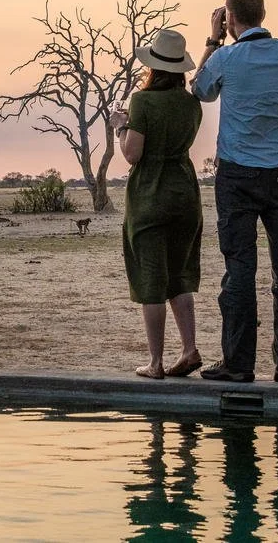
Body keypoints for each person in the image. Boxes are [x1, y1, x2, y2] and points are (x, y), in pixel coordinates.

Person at [190, 0, 278, 383]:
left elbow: (200, 90)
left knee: (239, 269)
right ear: (263, 12)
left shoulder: (225, 56)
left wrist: (213, 39)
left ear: (230, 17)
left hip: (238, 174)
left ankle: (239, 364)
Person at [110, 29, 203, 380]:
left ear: (152, 65)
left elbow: (133, 154)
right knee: (178, 276)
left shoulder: (143, 101)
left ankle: (155, 362)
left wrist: (121, 126)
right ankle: (189, 349)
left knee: (151, 281)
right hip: (185, 193)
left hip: (151, 194)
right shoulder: (191, 103)